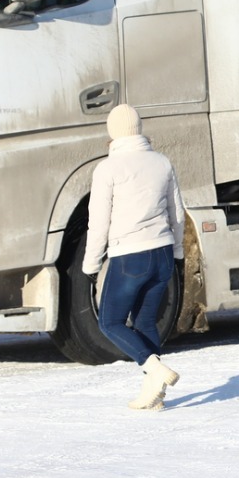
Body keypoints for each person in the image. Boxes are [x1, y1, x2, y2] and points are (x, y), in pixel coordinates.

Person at [83, 103, 187, 410]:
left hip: (130, 256)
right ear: (139, 128)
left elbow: (98, 222)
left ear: (113, 132)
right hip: (163, 253)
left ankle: (155, 369)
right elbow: (177, 213)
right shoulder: (162, 162)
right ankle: (154, 395)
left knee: (110, 322)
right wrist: (178, 250)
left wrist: (91, 263)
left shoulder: (107, 168)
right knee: (145, 323)